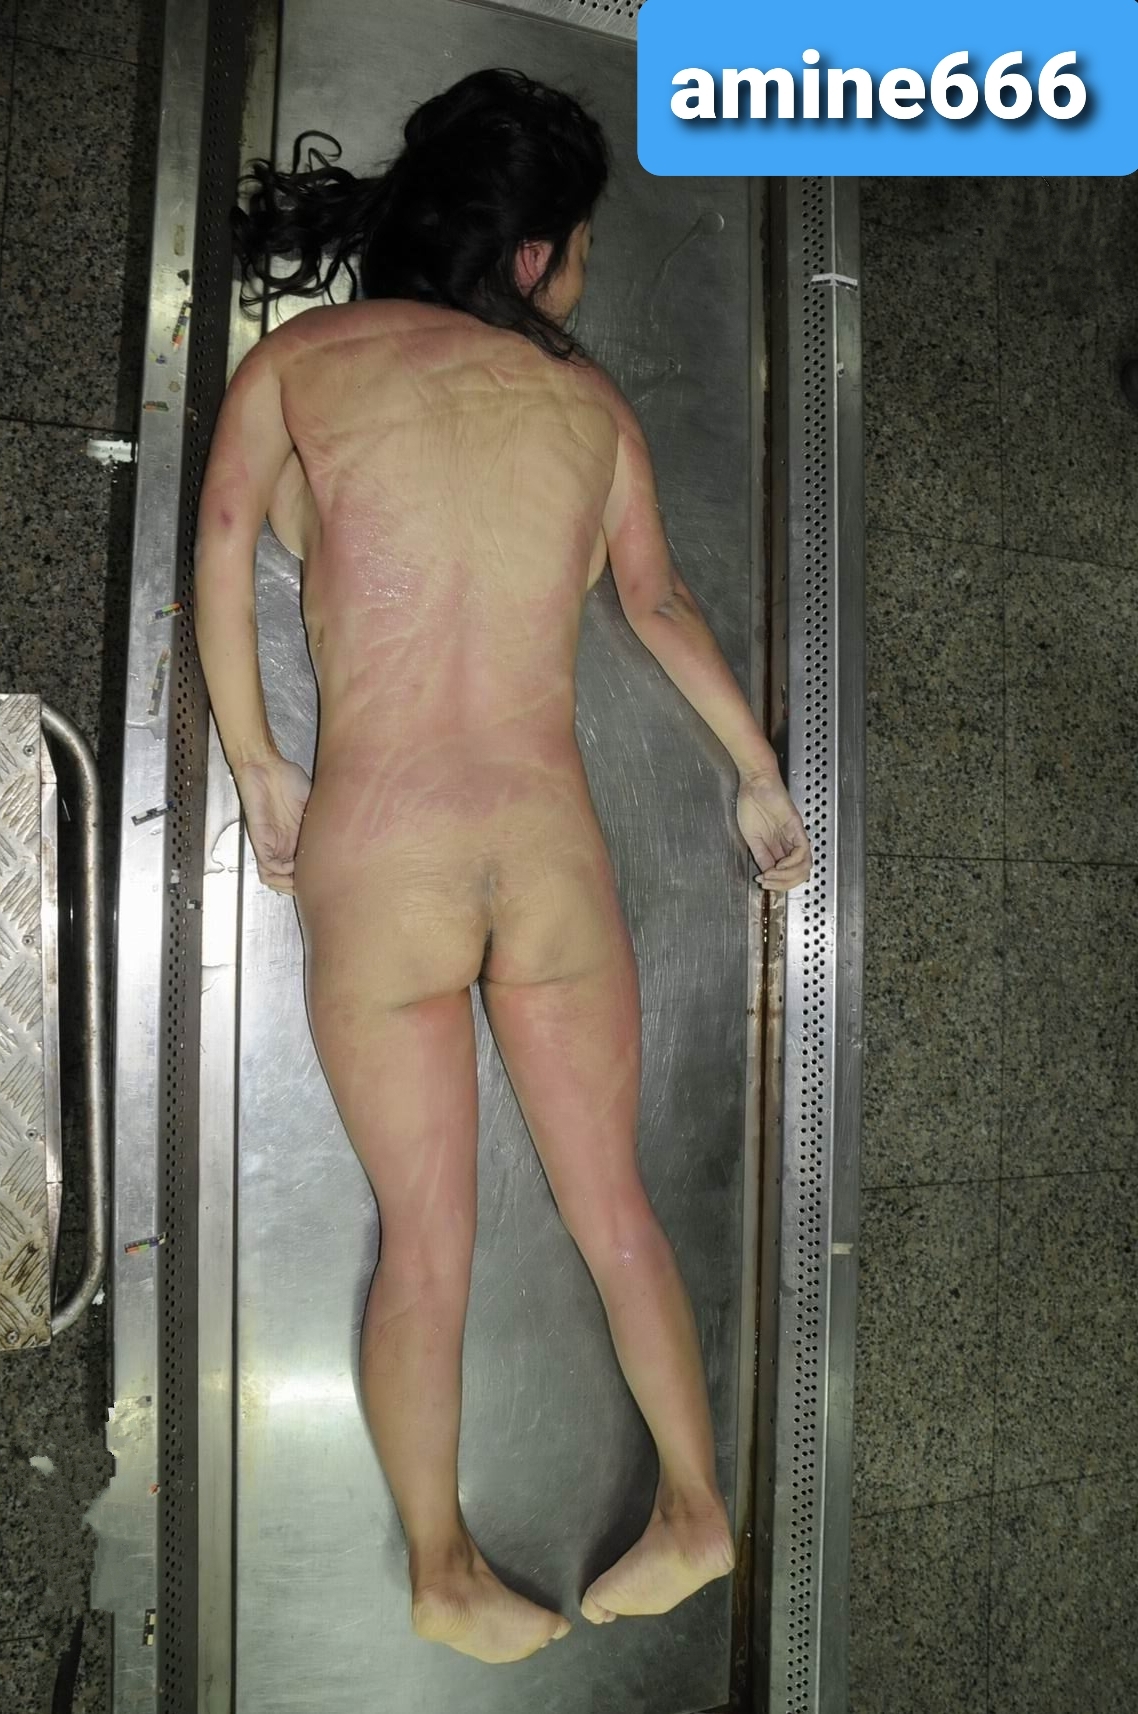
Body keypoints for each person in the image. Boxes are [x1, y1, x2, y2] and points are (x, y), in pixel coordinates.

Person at [194, 67, 811, 1668]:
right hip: (545, 853)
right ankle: (694, 1506)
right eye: (580, 247)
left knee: (428, 1240)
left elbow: (224, 540)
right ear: (531, 252)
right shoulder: (584, 402)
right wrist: (756, 777)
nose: (579, 278)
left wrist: (262, 763)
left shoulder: (303, 360)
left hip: (381, 853)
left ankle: (443, 1564)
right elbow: (656, 605)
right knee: (615, 1208)